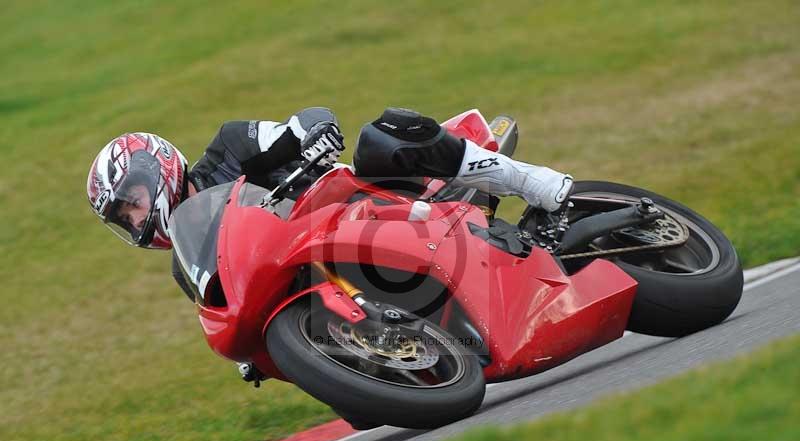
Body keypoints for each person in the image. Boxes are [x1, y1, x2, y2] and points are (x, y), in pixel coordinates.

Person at [86, 107, 573, 291]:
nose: (136, 218)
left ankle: (529, 181)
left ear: (158, 166)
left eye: (131, 201)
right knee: (362, 413)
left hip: (357, 203)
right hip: (319, 269)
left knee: (382, 135)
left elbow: (302, 123)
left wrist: (316, 133)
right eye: (123, 218)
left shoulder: (231, 145)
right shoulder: (185, 268)